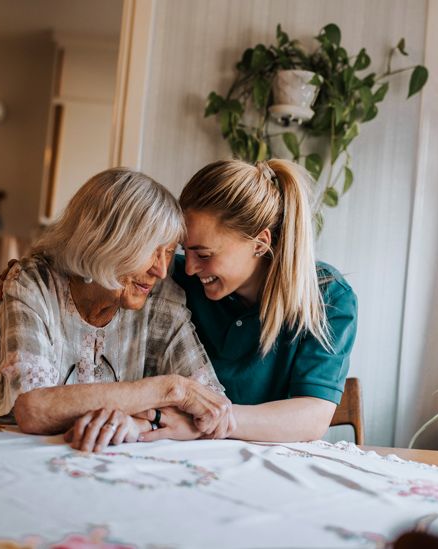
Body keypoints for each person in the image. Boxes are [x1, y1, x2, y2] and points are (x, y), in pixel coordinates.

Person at [0, 168, 235, 452]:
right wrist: (170, 389)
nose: (161, 270)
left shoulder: (162, 298)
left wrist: (140, 423)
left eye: (169, 252)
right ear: (104, 240)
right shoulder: (33, 282)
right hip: (13, 454)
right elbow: (33, 409)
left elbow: (213, 408)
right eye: (150, 249)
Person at [140, 158, 358, 444]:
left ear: (260, 243)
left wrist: (208, 421)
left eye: (204, 255)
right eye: (185, 250)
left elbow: (313, 415)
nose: (190, 267)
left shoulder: (328, 297)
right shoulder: (175, 279)